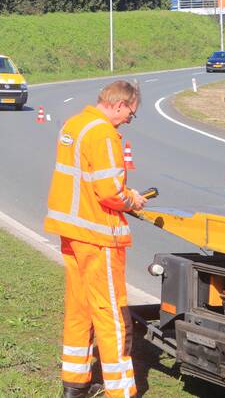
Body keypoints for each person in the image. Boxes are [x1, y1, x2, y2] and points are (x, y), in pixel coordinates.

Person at [43, 80, 148, 398]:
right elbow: (109, 191)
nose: (129, 120)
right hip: (98, 235)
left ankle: (75, 384)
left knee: (79, 307)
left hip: (72, 232)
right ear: (119, 104)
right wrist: (133, 200)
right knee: (111, 313)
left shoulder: (76, 124)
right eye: (131, 113)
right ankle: (121, 391)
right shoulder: (102, 133)